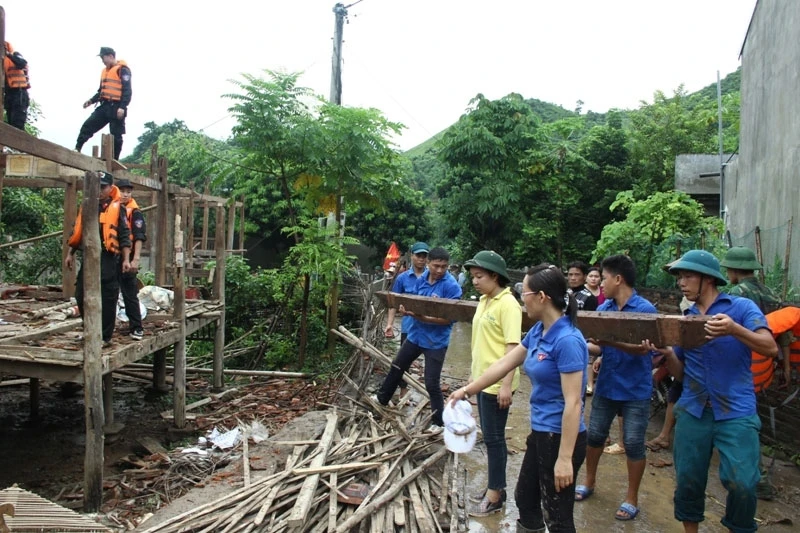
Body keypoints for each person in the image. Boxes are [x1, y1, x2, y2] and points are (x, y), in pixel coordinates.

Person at [449, 263, 587, 533]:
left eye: (524, 293)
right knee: (525, 498)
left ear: (542, 297)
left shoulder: (568, 340)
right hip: (541, 432)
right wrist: (468, 390)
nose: (522, 300)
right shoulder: (539, 330)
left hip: (561, 437)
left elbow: (574, 403)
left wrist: (564, 458)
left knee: (558, 517)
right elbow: (505, 363)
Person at [646, 249, 777, 533]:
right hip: (693, 409)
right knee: (689, 480)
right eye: (679, 277)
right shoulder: (686, 318)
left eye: (688, 276)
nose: (681, 282)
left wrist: (734, 330)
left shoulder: (741, 308)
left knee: (743, 483)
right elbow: (682, 373)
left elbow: (770, 347)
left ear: (708, 279)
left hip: (736, 410)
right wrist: (667, 353)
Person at [577, 254, 656, 522]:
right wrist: (585, 346)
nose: (602, 282)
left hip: (636, 389)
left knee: (633, 443)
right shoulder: (604, 309)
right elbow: (599, 344)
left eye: (605, 277)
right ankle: (589, 482)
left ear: (618, 279)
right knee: (596, 436)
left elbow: (642, 350)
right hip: (607, 385)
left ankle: (631, 497)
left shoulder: (645, 311)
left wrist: (609, 344)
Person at [720, 245, 785, 501]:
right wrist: (786, 367)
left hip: (745, 360)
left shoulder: (736, 294)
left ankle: (754, 476)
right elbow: (784, 333)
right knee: (749, 413)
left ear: (734, 270)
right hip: (766, 361)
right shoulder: (769, 293)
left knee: (739, 418)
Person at [374, 246, 462, 431]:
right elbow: (410, 302)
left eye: (443, 267)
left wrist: (422, 317)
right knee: (397, 367)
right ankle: (382, 399)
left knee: (431, 382)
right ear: (428, 263)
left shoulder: (451, 286)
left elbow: (449, 319)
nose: (439, 270)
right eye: (436, 266)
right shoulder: (421, 279)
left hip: (435, 341)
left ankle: (438, 422)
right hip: (416, 335)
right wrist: (406, 311)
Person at [461, 251, 522, 516]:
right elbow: (482, 344)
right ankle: (495, 488)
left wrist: (506, 384)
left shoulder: (508, 304)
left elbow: (513, 347)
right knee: (490, 439)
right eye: (473, 276)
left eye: (479, 276)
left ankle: (495, 496)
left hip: (498, 383)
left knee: (495, 441)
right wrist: (474, 377)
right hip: (484, 380)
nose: (475, 281)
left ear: (495, 276)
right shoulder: (485, 300)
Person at [65, 171, 132, 347]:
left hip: (109, 257)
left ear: (110, 188)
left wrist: (126, 259)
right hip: (88, 256)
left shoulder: (118, 208)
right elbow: (77, 233)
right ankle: (89, 329)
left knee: (108, 296)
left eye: (103, 187)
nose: (100, 190)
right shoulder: (87, 206)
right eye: (97, 187)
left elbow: (125, 236)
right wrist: (70, 254)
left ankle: (104, 336)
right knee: (81, 293)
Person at [383, 241, 429, 398]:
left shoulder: (432, 278)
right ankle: (403, 391)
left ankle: (431, 395)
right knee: (403, 362)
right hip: (408, 327)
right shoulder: (402, 278)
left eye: (424, 256)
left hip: (429, 327)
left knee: (431, 361)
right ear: (412, 256)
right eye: (418, 255)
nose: (421, 259)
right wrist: (389, 324)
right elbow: (393, 303)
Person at [76, 47, 131, 161]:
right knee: (88, 125)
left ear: (110, 56)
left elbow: (127, 90)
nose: (102, 60)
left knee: (116, 136)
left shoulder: (123, 70)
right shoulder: (104, 71)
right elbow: (101, 90)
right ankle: (77, 148)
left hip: (117, 106)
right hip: (105, 105)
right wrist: (91, 101)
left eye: (103, 57)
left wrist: (122, 107)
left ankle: (114, 160)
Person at [116, 179, 146, 341]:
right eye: (122, 191)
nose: (125, 194)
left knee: (129, 293)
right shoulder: (111, 209)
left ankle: (136, 327)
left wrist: (136, 259)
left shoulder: (135, 213)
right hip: (113, 257)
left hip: (129, 255)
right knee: (109, 292)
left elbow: (139, 237)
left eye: (128, 191)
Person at [3, 42, 30, 131]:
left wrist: (8, 54)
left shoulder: (15, 55)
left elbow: (22, 63)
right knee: (10, 125)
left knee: (17, 124)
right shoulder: (2, 61)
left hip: (19, 93)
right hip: (9, 95)